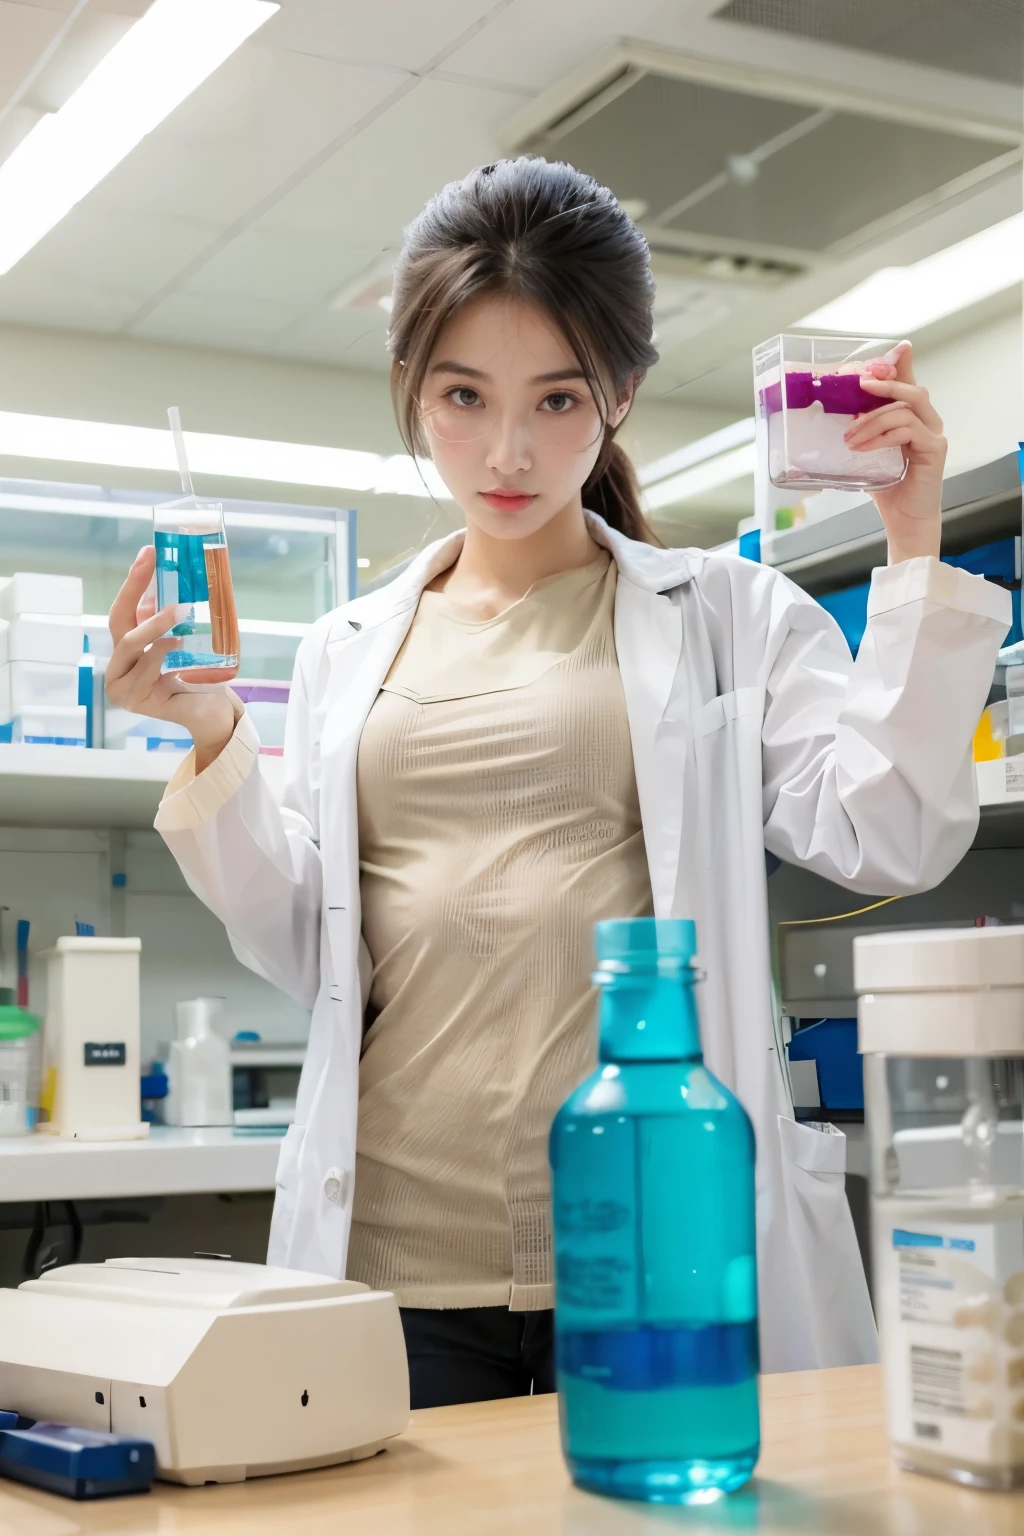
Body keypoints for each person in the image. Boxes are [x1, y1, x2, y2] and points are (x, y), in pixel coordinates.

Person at [107, 157, 1009, 1408]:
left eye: (558, 399)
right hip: (398, 1259)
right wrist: (213, 736)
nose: (509, 449)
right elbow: (299, 945)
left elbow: (887, 834)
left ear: (621, 395)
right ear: (414, 390)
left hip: (653, 1241)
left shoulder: (724, 616)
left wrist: (913, 542)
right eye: (464, 396)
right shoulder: (345, 652)